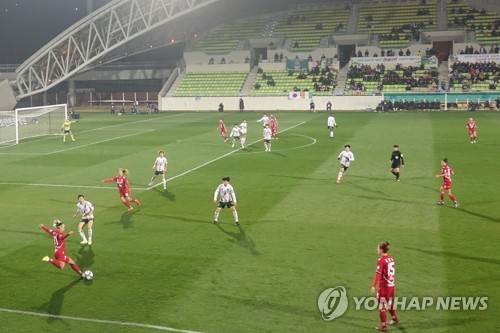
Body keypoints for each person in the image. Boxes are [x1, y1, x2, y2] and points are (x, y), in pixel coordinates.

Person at [370, 241, 399, 332]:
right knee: (389, 303)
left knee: (382, 306)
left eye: (378, 248)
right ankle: (394, 319)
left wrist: (373, 286)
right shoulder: (391, 259)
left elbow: (378, 275)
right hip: (391, 285)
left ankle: (384, 327)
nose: (377, 249)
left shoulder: (381, 260)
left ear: (381, 250)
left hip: (385, 287)